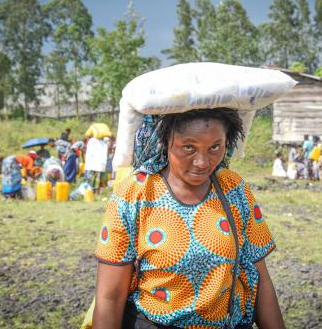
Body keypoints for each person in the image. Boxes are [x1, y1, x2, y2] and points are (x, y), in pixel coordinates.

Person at [91, 108, 285, 328]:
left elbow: (261, 280)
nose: (202, 162)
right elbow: (110, 296)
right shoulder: (134, 195)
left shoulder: (234, 189)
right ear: (165, 141)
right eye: (188, 147)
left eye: (215, 147)